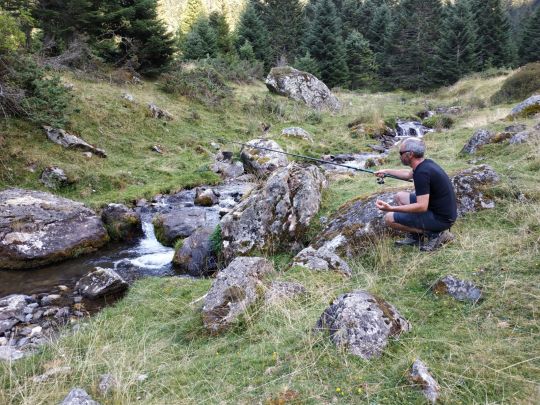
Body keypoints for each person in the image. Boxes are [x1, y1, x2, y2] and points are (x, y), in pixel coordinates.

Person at [374, 138, 457, 252]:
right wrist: (386, 171)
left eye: (401, 153)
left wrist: (391, 208)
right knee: (400, 196)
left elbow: (421, 206)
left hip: (442, 219)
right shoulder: (425, 164)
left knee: (389, 218)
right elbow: (407, 174)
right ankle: (415, 237)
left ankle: (435, 234)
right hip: (440, 211)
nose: (400, 156)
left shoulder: (422, 173)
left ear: (410, 154)